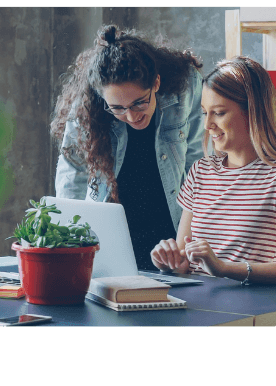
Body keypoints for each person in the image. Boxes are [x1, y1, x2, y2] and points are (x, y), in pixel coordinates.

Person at [150, 56, 276, 286]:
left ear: (253, 113)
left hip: (251, 314)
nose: (207, 125)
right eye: (204, 112)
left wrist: (223, 268)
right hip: (196, 308)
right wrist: (169, 260)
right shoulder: (200, 172)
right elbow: (184, 262)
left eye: (218, 113)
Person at [51, 25, 205, 271]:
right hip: (112, 226)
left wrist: (192, 235)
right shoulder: (88, 102)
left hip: (170, 227)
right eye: (117, 108)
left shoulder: (186, 85)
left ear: (156, 83)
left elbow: (197, 162)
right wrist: (68, 244)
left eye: (139, 103)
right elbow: (73, 173)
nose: (132, 116)